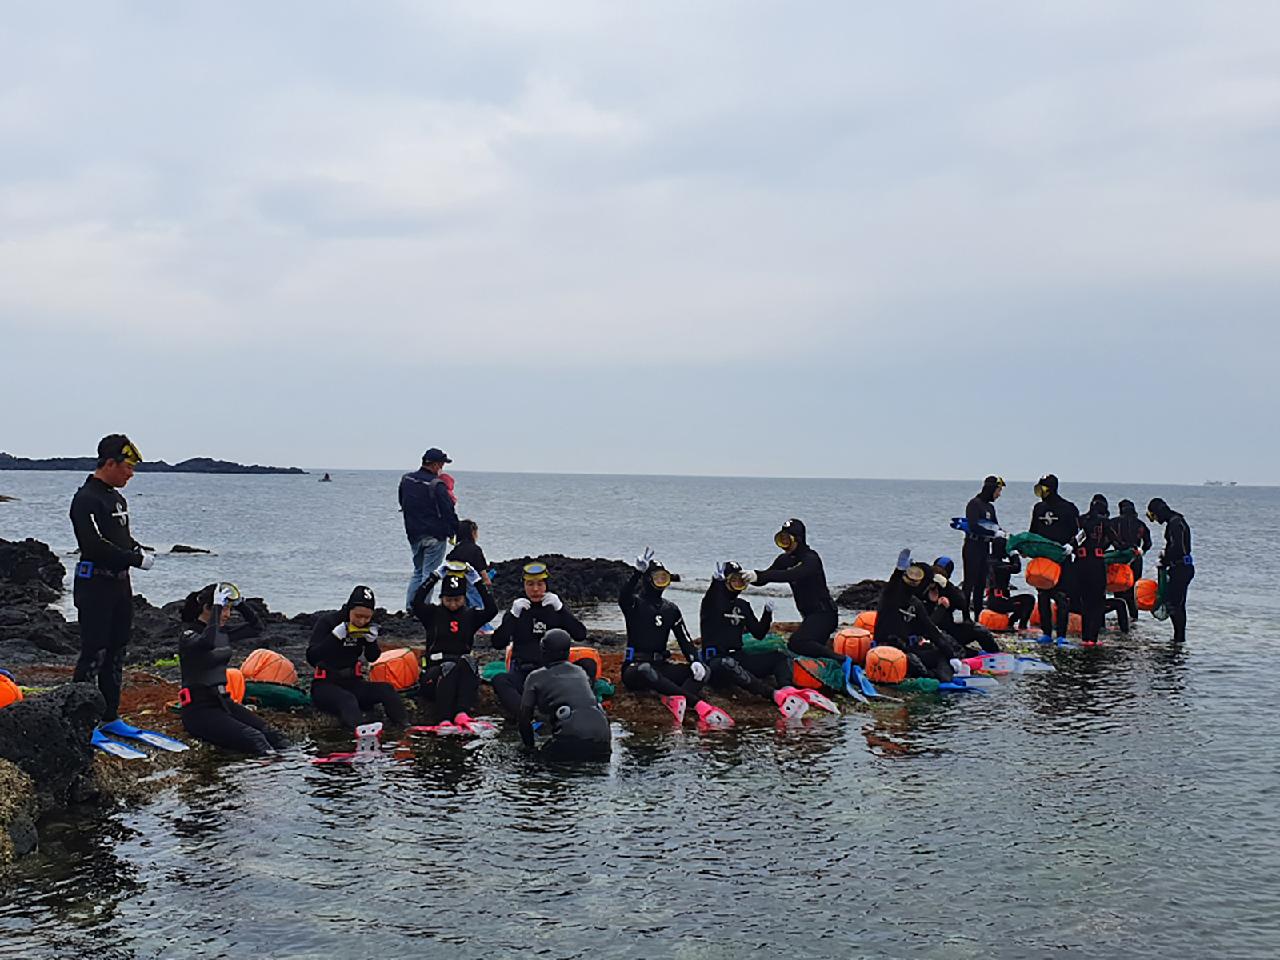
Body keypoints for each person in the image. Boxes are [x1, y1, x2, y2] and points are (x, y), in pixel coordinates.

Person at [68, 434, 154, 736]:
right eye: (127, 467)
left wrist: (138, 550)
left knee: (117, 650)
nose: (131, 473)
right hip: (95, 585)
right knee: (95, 651)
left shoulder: (117, 498)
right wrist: (132, 558)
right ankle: (79, 720)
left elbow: (121, 537)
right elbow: (94, 545)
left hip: (120, 586)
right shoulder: (86, 498)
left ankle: (110, 715)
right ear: (109, 463)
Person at [619, 549, 733, 727]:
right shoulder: (634, 604)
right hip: (635, 667)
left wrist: (694, 660)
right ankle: (694, 703)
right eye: (657, 578)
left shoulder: (670, 609)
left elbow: (685, 639)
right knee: (646, 670)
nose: (661, 582)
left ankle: (673, 699)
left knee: (704, 671)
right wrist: (636, 573)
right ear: (648, 580)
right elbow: (623, 597)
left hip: (661, 666)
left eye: (664, 578)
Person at [178, 583, 288, 755]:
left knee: (274, 736)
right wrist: (216, 607)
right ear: (207, 608)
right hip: (199, 711)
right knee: (254, 738)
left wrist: (241, 603)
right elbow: (207, 642)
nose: (228, 615)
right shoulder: (188, 635)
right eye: (224, 609)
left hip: (224, 702)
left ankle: (292, 767)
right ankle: (269, 773)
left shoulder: (223, 633)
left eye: (229, 609)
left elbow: (257, 627)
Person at [699, 561, 812, 717]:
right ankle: (772, 694)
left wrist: (767, 614)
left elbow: (759, 633)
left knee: (779, 656)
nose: (737, 584)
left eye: (741, 581)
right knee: (728, 664)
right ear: (726, 581)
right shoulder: (711, 603)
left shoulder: (743, 605)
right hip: (716, 661)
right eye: (733, 580)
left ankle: (787, 690)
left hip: (738, 656)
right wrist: (715, 583)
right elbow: (713, 598)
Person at [491, 562, 588, 717]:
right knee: (500, 680)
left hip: (553, 673)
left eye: (540, 584)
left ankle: (579, 710)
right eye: (530, 584)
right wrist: (513, 616)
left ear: (546, 585)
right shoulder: (518, 609)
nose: (535, 589)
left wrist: (561, 609)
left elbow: (580, 634)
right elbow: (497, 643)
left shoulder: (555, 607)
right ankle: (527, 716)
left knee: (587, 666)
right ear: (524, 586)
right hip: (524, 673)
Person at [307, 586, 408, 730]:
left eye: (366, 617)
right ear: (349, 609)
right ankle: (361, 733)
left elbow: (372, 657)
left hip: (353, 682)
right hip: (325, 685)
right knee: (347, 700)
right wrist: (335, 637)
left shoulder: (366, 626)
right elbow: (312, 657)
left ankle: (404, 728)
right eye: (358, 616)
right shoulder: (328, 622)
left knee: (386, 690)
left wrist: (371, 642)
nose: (361, 621)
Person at [412, 562, 499, 724]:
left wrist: (477, 581)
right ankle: (444, 718)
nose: (453, 604)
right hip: (435, 673)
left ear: (464, 598)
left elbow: (492, 609)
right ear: (441, 598)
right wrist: (435, 576)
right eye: (448, 600)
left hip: (461, 673)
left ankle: (461, 714)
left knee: (470, 662)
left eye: (457, 600)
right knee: (449, 667)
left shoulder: (470, 615)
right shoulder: (432, 614)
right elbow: (416, 602)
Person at [742, 519, 839, 659]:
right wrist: (745, 576)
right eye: (781, 540)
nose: (784, 545)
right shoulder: (784, 560)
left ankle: (842, 660)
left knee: (797, 643)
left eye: (787, 540)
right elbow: (765, 578)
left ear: (798, 539)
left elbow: (790, 575)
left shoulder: (811, 559)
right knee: (809, 649)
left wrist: (758, 575)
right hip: (808, 616)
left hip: (824, 614)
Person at [519, 629, 612, 761]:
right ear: (568, 652)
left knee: (535, 764)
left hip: (570, 737)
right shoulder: (580, 672)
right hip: (602, 737)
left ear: (543, 651)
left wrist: (529, 749)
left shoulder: (535, 677)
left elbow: (524, 718)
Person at [873, 551, 958, 681]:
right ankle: (930, 677)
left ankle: (945, 680)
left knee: (939, 655)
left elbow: (932, 631)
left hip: (906, 650)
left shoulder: (915, 604)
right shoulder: (890, 597)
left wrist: (951, 656)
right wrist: (898, 571)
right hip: (883, 652)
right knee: (912, 660)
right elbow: (892, 587)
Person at [398, 447, 459, 610]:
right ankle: (422, 608)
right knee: (430, 574)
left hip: (413, 533)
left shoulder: (406, 480)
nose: (442, 468)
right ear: (436, 465)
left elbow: (402, 502)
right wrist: (455, 530)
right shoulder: (437, 485)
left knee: (418, 571)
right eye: (442, 464)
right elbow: (448, 511)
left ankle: (411, 607)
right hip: (435, 535)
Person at [1030, 474, 1080, 644]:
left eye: (1043, 488)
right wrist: (1026, 548)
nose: (1041, 492)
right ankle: (1046, 633)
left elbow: (1079, 533)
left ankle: (1061, 635)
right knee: (1043, 596)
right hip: (1043, 560)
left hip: (1062, 559)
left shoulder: (1069, 508)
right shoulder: (1038, 509)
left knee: (1062, 597)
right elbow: (1033, 533)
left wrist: (1072, 546)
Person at [1072, 494, 1122, 646]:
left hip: (1080, 563)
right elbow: (1118, 543)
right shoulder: (1104, 522)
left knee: (1085, 601)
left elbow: (1072, 541)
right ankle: (1092, 639)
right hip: (1096, 564)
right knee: (1097, 602)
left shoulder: (1080, 520)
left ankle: (1084, 638)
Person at [930, 557, 1000, 654]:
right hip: (933, 634)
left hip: (950, 629)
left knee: (979, 631)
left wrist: (946, 586)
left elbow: (962, 603)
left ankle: (995, 654)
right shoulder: (924, 587)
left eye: (941, 572)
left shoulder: (948, 589)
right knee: (963, 652)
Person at [1147, 498, 1194, 643]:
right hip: (1183, 567)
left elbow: (1177, 547)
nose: (1155, 519)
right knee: (1178, 604)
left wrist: (1165, 560)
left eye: (1154, 515)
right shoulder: (1176, 521)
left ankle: (1178, 639)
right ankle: (1179, 639)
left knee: (1175, 605)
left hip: (1180, 568)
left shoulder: (1175, 523)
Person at [962, 475, 1006, 618]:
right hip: (972, 546)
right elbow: (973, 526)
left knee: (981, 582)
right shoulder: (974, 504)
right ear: (991, 489)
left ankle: (979, 615)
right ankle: (965, 615)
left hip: (985, 547)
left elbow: (996, 527)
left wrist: (1002, 536)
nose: (999, 495)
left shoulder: (990, 508)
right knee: (970, 581)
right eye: (998, 491)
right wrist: (992, 532)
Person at [1110, 500, 1152, 620]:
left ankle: (1121, 617)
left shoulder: (1114, 522)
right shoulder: (1140, 524)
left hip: (1118, 558)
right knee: (1133, 590)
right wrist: (1142, 551)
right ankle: (1134, 618)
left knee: (1118, 588)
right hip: (1135, 558)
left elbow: (1107, 540)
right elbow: (1148, 543)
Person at [448, 520, 492, 617]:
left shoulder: (456, 549)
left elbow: (449, 561)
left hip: (457, 580)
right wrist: (487, 580)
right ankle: (480, 625)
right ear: (473, 533)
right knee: (476, 601)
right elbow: (481, 567)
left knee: (463, 603)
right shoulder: (475, 549)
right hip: (473, 581)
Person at [985, 543, 1035, 630]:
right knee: (1029, 600)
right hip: (998, 603)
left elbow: (1012, 566)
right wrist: (1014, 555)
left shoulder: (989, 561)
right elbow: (1016, 568)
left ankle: (1012, 623)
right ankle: (1018, 625)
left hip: (996, 600)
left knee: (1025, 599)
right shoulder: (997, 565)